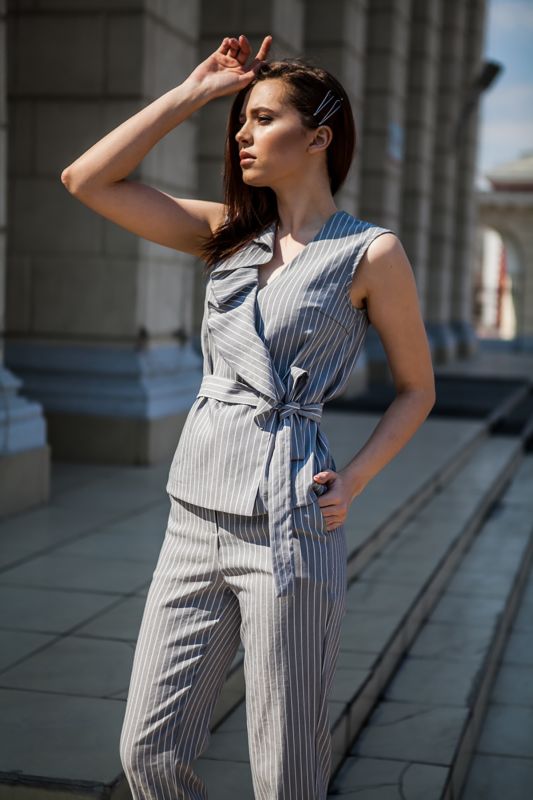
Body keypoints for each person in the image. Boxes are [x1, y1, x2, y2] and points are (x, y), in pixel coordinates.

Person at [61, 32, 435, 800]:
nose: (241, 134)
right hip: (194, 507)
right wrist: (193, 92)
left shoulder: (369, 253)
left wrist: (355, 482)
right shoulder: (226, 233)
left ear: (319, 137)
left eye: (261, 119)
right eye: (240, 121)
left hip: (290, 519)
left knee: (285, 766)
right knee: (148, 752)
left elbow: (416, 388)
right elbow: (86, 179)